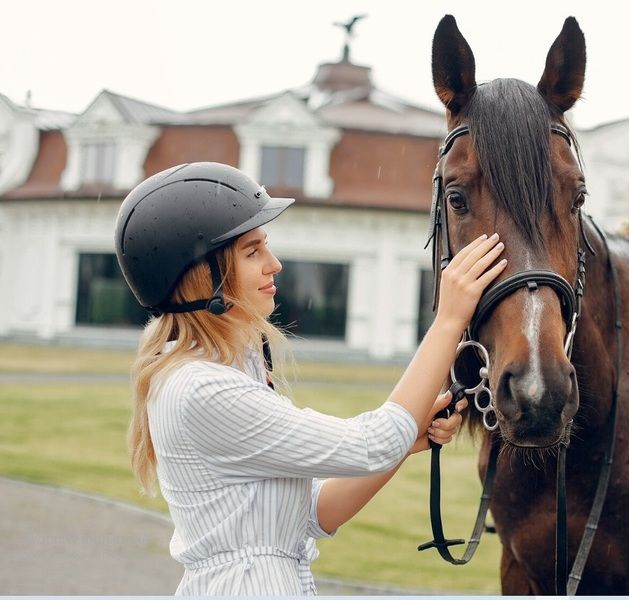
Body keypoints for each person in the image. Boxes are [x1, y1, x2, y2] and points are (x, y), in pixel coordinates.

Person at [114, 162, 507, 595]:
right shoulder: (201, 389)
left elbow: (317, 512)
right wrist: (450, 318)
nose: (274, 264)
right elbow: (370, 444)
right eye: (252, 251)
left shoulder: (223, 373)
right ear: (199, 276)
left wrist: (412, 439)